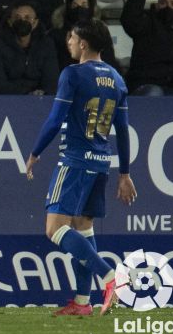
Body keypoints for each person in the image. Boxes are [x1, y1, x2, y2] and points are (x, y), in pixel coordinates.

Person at [25, 19, 137, 316]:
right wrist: (124, 173)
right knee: (83, 227)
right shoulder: (117, 78)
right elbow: (123, 130)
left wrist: (35, 152)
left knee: (54, 228)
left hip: (75, 160)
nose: (70, 43)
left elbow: (54, 118)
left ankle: (110, 276)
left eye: (72, 38)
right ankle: (83, 302)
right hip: (101, 163)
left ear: (83, 43)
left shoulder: (73, 74)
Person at [0, 1, 60, 94]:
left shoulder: (46, 44)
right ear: (10, 21)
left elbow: (52, 81)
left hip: (38, 101)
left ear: (35, 22)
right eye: (17, 18)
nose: (22, 21)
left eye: (27, 18)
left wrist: (42, 93)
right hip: (5, 100)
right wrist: (26, 93)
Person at [48, 0, 120, 71]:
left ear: (90, 9)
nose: (79, 10)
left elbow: (109, 66)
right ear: (68, 8)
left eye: (84, 5)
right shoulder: (56, 35)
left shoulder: (100, 33)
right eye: (74, 6)